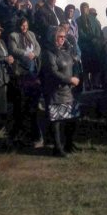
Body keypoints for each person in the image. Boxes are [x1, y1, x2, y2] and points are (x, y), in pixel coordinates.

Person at [41, 25, 81, 157]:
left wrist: (75, 78)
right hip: (55, 91)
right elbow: (53, 72)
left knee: (72, 119)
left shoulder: (65, 51)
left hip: (68, 91)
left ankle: (69, 144)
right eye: (60, 37)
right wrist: (70, 80)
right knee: (57, 120)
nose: (62, 40)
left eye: (64, 37)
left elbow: (73, 64)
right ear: (54, 38)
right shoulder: (49, 53)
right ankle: (57, 148)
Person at [7, 16, 43, 147]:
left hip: (32, 71)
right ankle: (18, 134)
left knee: (32, 104)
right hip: (20, 71)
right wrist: (26, 53)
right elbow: (13, 50)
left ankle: (32, 134)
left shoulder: (31, 34)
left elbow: (38, 47)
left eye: (26, 26)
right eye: (22, 26)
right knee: (20, 103)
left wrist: (34, 54)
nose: (24, 28)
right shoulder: (13, 36)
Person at [76, 2, 104, 89]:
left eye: (86, 8)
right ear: (80, 10)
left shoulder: (93, 19)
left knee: (95, 65)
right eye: (82, 9)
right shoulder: (78, 20)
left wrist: (96, 39)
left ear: (88, 9)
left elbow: (98, 30)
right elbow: (80, 33)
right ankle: (87, 83)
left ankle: (95, 82)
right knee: (85, 66)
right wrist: (90, 38)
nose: (84, 10)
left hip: (95, 46)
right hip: (85, 46)